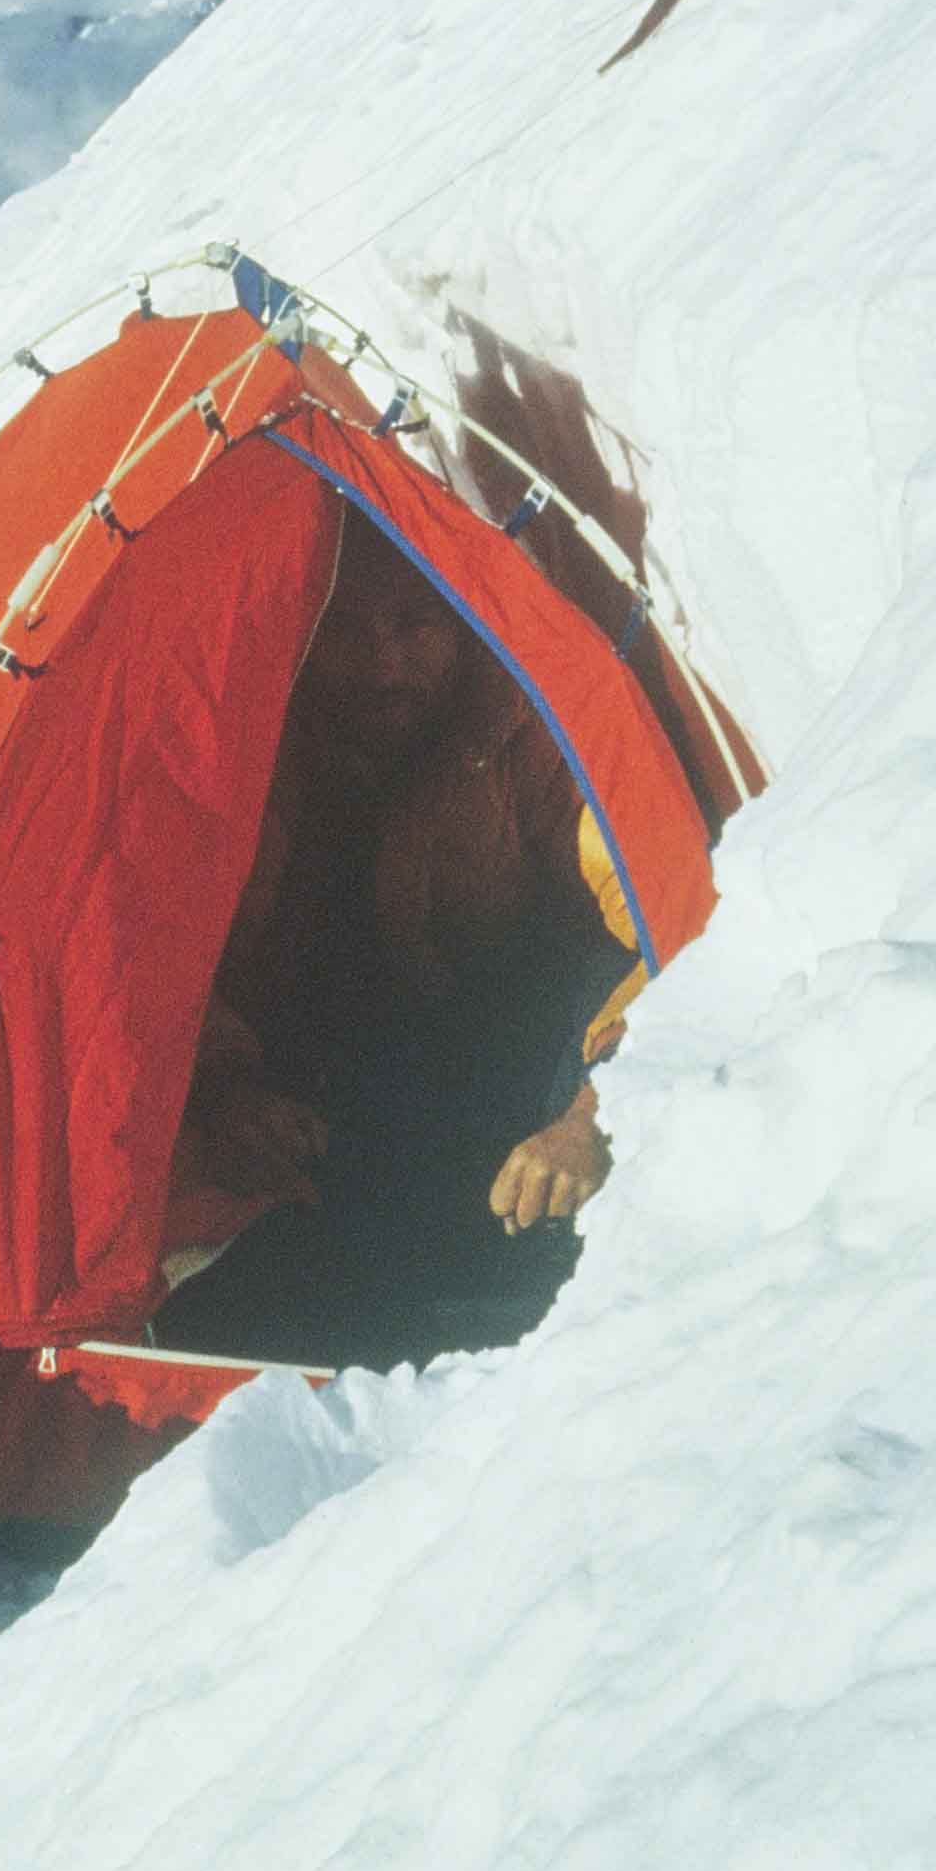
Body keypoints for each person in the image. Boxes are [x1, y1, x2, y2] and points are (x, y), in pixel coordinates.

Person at [154, 506, 642, 1371]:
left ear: (459, 627)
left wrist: (594, 1112)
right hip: (329, 1066)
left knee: (583, 983)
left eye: (415, 627)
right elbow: (170, 957)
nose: (385, 667)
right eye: (347, 633)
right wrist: (227, 1092)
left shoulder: (522, 725)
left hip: (509, 1040)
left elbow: (654, 922)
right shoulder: (248, 742)